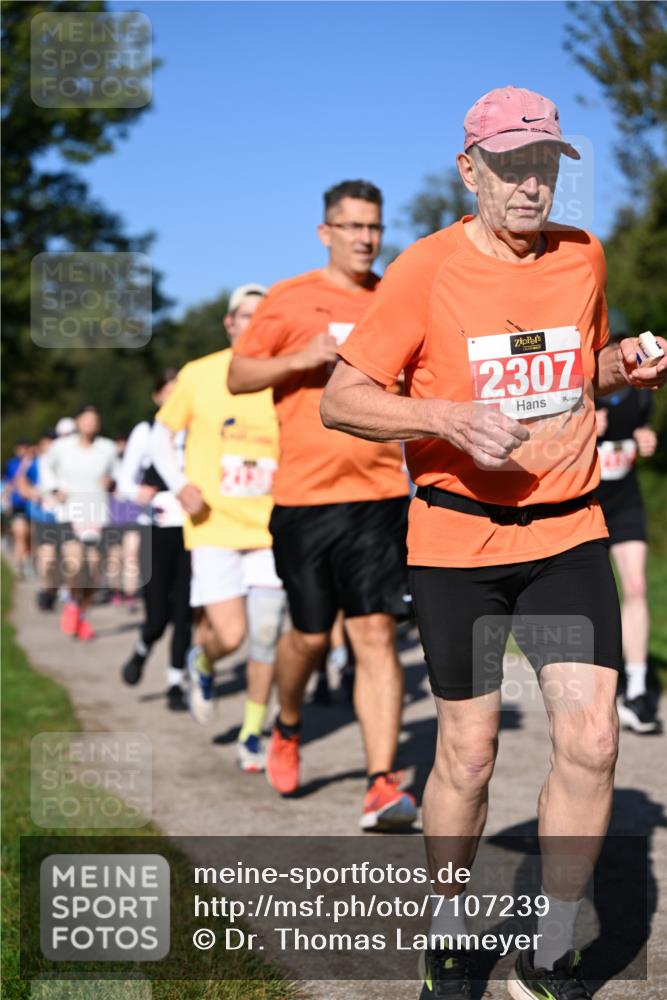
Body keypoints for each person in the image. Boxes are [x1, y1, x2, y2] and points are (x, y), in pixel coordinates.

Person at [321, 88, 667, 998]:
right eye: (511, 166)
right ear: (468, 169)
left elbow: (573, 367)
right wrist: (442, 416)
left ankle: (551, 946)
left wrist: (622, 363)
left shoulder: (580, 258)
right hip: (454, 541)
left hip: (565, 531)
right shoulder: (424, 270)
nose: (530, 185)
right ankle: (445, 924)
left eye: (544, 164)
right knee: (467, 756)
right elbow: (343, 398)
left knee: (592, 743)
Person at [227, 180, 416, 831]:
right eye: (353, 226)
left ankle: (381, 783)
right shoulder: (289, 298)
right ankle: (285, 725)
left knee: (374, 632)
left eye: (374, 227)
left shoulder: (394, 295)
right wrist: (300, 358)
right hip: (305, 499)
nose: (365, 238)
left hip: (379, 490)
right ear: (325, 232)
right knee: (307, 636)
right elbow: (239, 374)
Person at [152, 284, 287, 773]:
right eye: (245, 316)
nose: (253, 323)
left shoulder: (283, 375)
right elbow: (160, 438)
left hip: (270, 526)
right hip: (212, 525)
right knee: (229, 635)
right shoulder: (200, 373)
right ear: (229, 323)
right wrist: (180, 484)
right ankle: (203, 662)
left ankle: (253, 733)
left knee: (266, 634)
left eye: (263, 316)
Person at [594, 308, 661, 734]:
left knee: (635, 586)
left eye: (624, 344)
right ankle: (602, 692)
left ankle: (637, 690)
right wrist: (578, 426)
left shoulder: (640, 393)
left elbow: (645, 434)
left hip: (626, 501)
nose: (620, 353)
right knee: (596, 599)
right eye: (611, 345)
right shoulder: (582, 387)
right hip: (585, 505)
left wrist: (647, 438)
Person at [119, 369, 192, 711]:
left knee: (185, 612)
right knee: (158, 616)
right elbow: (124, 483)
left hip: (193, 529)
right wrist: (139, 492)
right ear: (157, 396)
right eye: (169, 392)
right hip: (156, 529)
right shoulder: (145, 432)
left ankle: (175, 682)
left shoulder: (197, 429)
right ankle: (141, 649)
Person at [39, 404, 117, 640]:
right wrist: (54, 488)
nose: (91, 424)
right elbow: (45, 465)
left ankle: (81, 614)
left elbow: (120, 474)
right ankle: (72, 602)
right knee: (75, 565)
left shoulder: (108, 448)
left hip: (97, 515)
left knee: (92, 572)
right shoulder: (62, 447)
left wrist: (112, 483)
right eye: (86, 419)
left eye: (95, 419)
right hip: (69, 514)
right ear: (78, 421)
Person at [2, 440, 34, 577]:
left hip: (33, 505)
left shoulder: (36, 463)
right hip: (18, 504)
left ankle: (28, 559)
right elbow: (9, 483)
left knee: (31, 535)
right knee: (20, 533)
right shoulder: (12, 464)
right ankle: (20, 565)